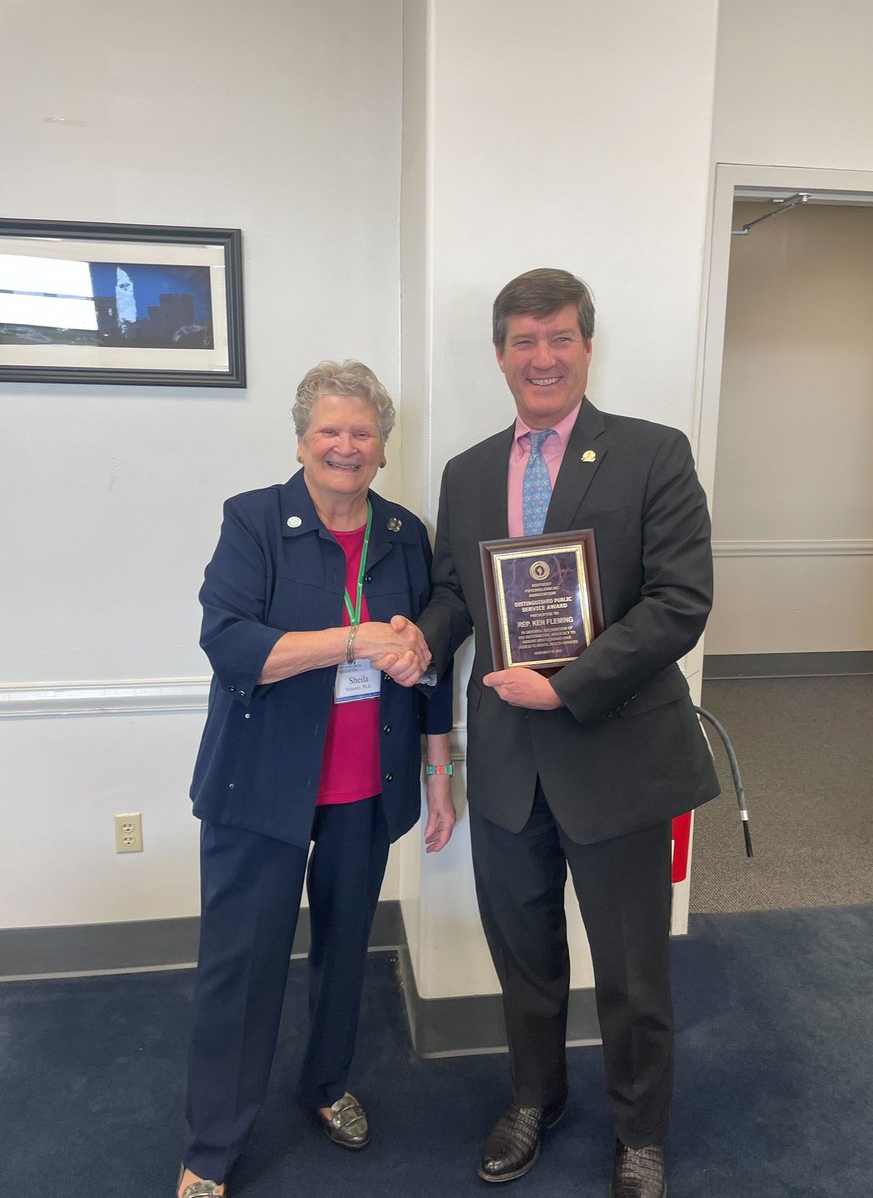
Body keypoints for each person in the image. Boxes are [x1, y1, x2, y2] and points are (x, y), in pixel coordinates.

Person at [414, 269, 720, 1198]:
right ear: (500, 354)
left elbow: (680, 602)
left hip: (616, 757)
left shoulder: (653, 454)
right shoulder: (467, 473)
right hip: (509, 764)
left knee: (631, 968)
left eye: (559, 339)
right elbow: (458, 595)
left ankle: (640, 1133)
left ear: (588, 346)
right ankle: (533, 1098)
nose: (541, 358)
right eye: (522, 341)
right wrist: (413, 640)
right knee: (526, 955)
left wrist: (570, 687)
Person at [177, 360, 455, 1198]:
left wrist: (440, 770)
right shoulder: (254, 521)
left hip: (363, 789)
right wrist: (353, 640)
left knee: (343, 954)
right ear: (301, 440)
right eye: (329, 431)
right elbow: (230, 646)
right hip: (258, 788)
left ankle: (326, 1086)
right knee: (242, 966)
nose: (345, 446)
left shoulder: (405, 533)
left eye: (362, 433)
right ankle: (212, 1148)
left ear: (381, 447)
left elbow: (428, 662)